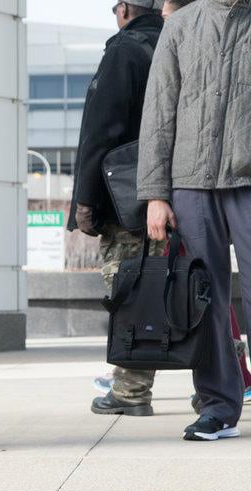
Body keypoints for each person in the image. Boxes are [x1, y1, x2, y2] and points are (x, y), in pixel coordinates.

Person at [138, 0, 251, 441]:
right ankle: (218, 406)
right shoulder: (182, 25)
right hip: (190, 181)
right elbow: (159, 112)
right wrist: (154, 195)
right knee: (203, 299)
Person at [66, 0, 164, 417]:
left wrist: (84, 201)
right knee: (196, 289)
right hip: (188, 193)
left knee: (131, 291)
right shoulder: (178, 43)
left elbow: (99, 132)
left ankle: (130, 391)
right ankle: (218, 386)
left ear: (124, 9)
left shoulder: (124, 50)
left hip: (129, 200)